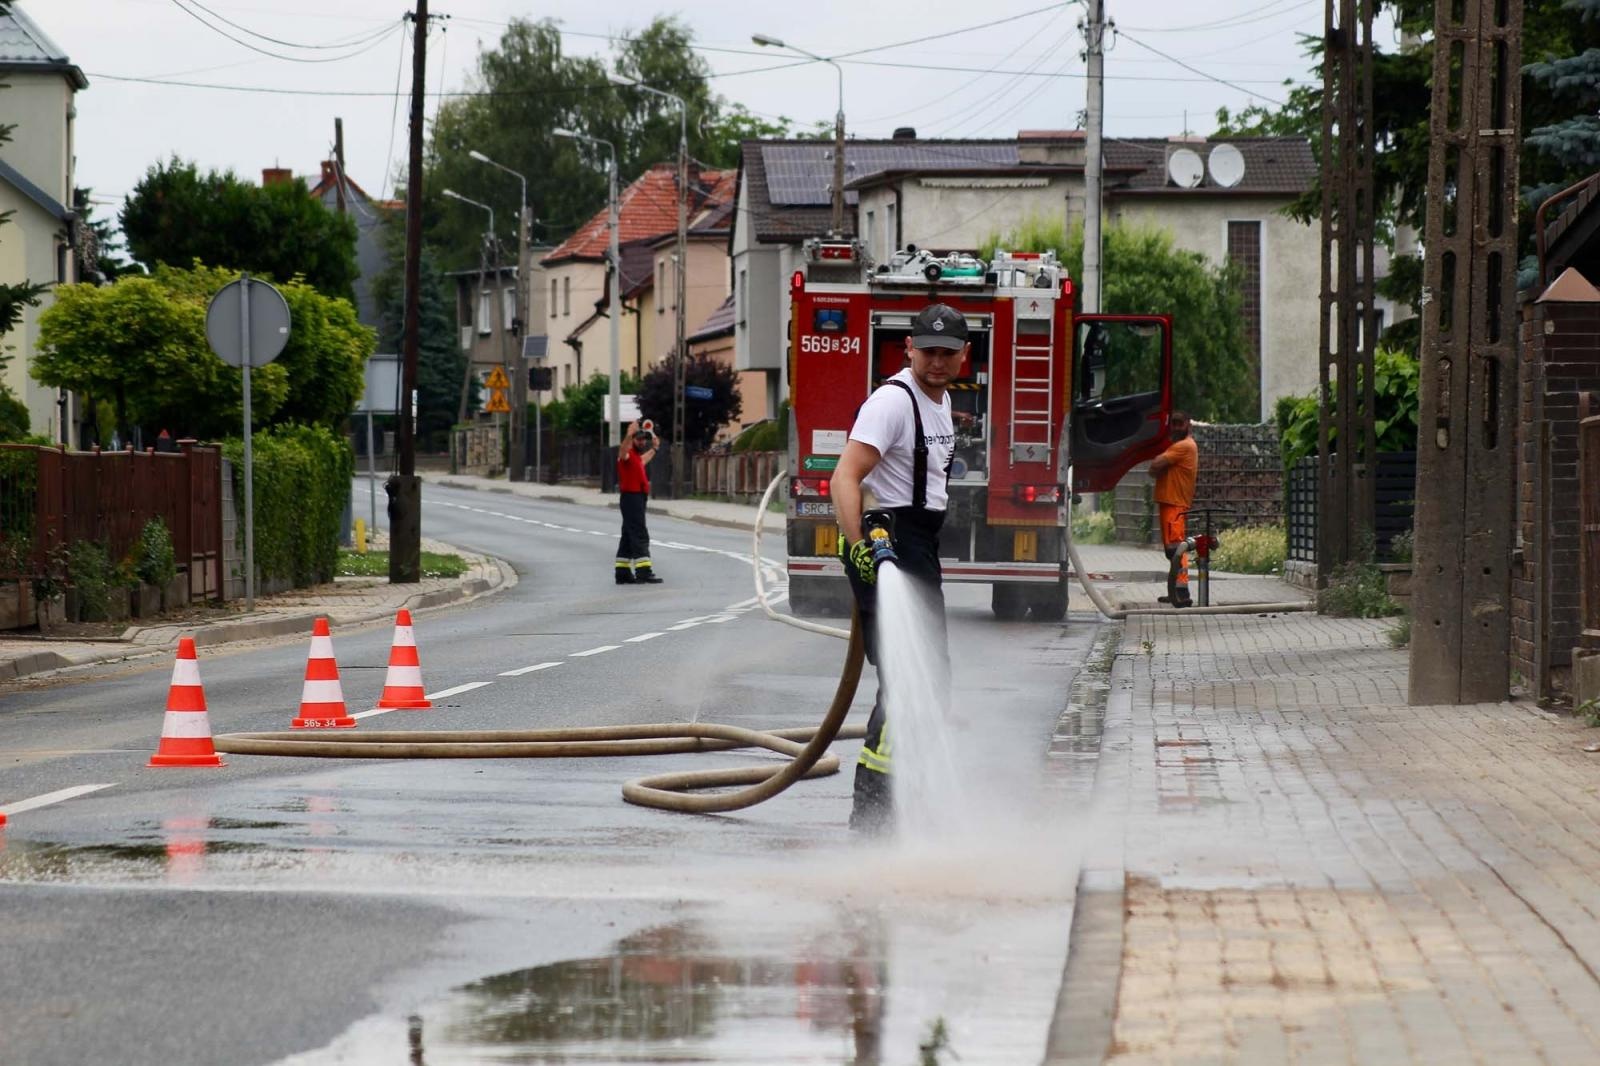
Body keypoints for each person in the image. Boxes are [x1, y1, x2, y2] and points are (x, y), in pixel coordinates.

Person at [831, 303, 961, 832]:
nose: (937, 361)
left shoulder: (943, 400)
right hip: (887, 544)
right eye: (927, 351)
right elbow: (844, 477)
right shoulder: (891, 401)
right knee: (907, 681)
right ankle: (874, 814)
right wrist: (860, 545)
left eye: (947, 352)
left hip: (918, 544)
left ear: (962, 355)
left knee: (930, 677)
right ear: (909, 348)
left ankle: (905, 799)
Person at [1150, 410, 1198, 607]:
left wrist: (1158, 467)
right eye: (1174, 423)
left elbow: (1155, 465)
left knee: (1178, 549)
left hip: (1174, 504)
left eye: (1180, 423)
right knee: (1174, 550)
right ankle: (1175, 590)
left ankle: (1181, 592)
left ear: (1188, 424)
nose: (1176, 427)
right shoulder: (1180, 446)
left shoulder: (1183, 446)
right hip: (1171, 503)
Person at [615, 420, 662, 584]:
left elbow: (643, 460)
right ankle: (643, 572)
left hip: (637, 498)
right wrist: (628, 435)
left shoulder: (635, 458)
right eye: (638, 439)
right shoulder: (626, 456)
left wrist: (654, 448)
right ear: (632, 440)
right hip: (631, 498)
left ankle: (622, 573)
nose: (642, 442)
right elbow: (622, 451)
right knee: (640, 534)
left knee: (628, 535)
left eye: (643, 439)